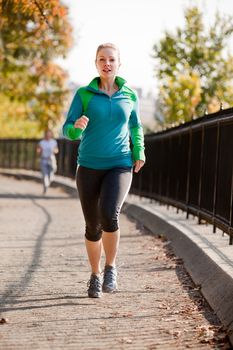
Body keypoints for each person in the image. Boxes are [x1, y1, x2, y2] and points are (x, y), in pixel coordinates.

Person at [62, 43, 145, 298]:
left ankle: (110, 268)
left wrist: (139, 150)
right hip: (88, 166)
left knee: (109, 214)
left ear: (119, 63)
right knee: (92, 226)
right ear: (95, 64)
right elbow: (67, 130)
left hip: (119, 164)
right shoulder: (84, 94)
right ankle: (95, 275)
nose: (106, 63)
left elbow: (135, 126)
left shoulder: (130, 95)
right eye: (101, 59)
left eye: (111, 59)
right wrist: (76, 127)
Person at [37, 130, 59, 195]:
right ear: (45, 135)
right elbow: (38, 149)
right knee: (44, 175)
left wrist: (55, 151)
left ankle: (50, 180)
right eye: (47, 134)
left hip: (51, 159)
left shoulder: (54, 142)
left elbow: (57, 150)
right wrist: (39, 151)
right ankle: (45, 187)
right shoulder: (41, 142)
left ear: (51, 135)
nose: (48, 135)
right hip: (44, 159)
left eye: (49, 134)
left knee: (53, 170)